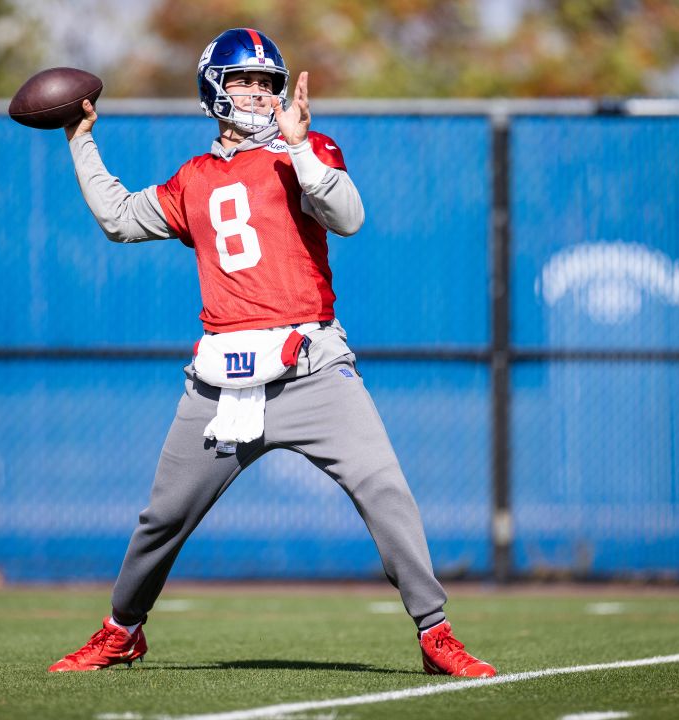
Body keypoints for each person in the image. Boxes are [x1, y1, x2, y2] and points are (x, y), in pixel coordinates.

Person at [48, 27, 496, 678]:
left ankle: (435, 634)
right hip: (221, 379)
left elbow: (348, 216)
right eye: (244, 82)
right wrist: (80, 139)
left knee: (384, 488)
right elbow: (119, 217)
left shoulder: (305, 151)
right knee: (162, 517)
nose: (259, 94)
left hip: (310, 365)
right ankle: (122, 631)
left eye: (267, 83)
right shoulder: (192, 179)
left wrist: (299, 147)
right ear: (214, 89)